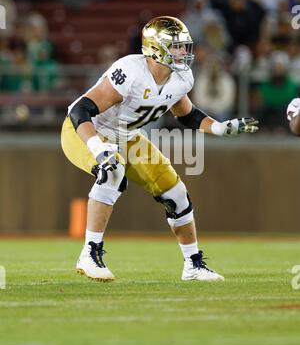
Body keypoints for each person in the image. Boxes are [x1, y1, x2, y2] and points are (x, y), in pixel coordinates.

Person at [61, 16, 258, 283]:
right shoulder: (130, 71)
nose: (182, 52)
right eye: (176, 46)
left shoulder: (181, 77)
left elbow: (187, 115)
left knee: (175, 192)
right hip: (85, 130)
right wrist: (97, 148)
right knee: (112, 170)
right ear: (156, 47)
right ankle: (89, 253)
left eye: (183, 46)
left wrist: (221, 128)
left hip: (127, 136)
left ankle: (193, 265)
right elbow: (80, 109)